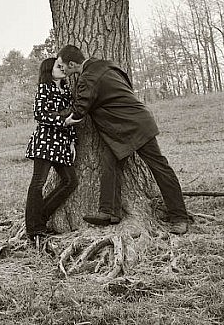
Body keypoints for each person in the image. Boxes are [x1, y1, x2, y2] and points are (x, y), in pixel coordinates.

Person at [58, 44, 191, 234]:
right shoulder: (107, 65)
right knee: (109, 164)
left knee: (160, 168)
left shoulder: (87, 77)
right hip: (123, 128)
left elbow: (79, 112)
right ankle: (109, 212)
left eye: (63, 67)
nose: (62, 70)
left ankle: (179, 217)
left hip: (134, 126)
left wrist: (59, 120)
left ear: (72, 64)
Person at [25, 57, 79, 245]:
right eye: (58, 66)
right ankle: (34, 228)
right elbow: (39, 114)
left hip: (62, 144)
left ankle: (40, 217)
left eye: (63, 65)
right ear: (49, 69)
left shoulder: (66, 91)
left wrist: (72, 141)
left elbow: (72, 116)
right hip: (45, 141)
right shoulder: (44, 88)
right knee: (38, 183)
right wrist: (61, 122)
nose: (62, 68)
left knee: (71, 181)